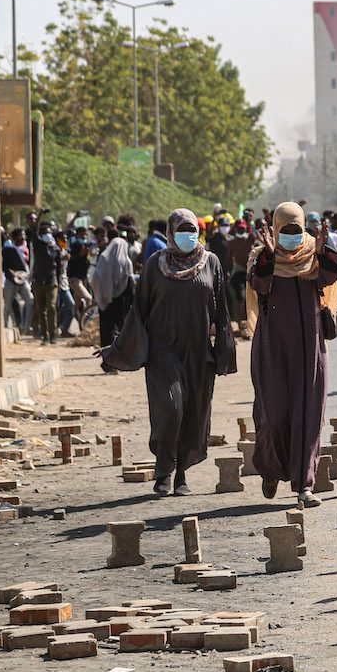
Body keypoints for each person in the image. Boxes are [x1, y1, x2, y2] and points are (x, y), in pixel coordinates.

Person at [99, 208, 237, 496]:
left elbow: (221, 310)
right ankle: (164, 469)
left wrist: (223, 351)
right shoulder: (155, 265)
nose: (188, 235)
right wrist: (118, 348)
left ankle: (181, 475)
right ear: (171, 232)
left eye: (192, 230)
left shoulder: (211, 263)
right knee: (170, 408)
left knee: (193, 414)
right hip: (163, 354)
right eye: (182, 229)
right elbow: (138, 310)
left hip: (199, 355)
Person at [248, 201, 337, 507]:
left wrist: (323, 248)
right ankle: (272, 469)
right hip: (273, 348)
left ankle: (304, 484)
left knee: (308, 414)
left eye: (296, 229)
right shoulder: (263, 256)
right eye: (285, 230)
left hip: (310, 346)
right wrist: (268, 252)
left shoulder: (313, 254)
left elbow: (331, 275)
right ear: (276, 229)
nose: (290, 235)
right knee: (273, 414)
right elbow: (258, 284)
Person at [92, 229, 135, 359]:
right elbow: (130, 285)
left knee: (107, 331)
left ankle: (108, 360)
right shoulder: (127, 262)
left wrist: (105, 294)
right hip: (121, 304)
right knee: (119, 330)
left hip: (106, 302)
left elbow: (96, 278)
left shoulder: (104, 258)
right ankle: (117, 359)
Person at [28, 217, 62, 345]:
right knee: (41, 310)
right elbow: (34, 230)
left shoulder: (56, 249)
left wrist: (57, 281)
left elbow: (58, 268)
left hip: (51, 282)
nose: (48, 235)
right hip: (38, 282)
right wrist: (41, 214)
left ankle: (53, 336)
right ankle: (45, 336)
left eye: (49, 233)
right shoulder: (38, 246)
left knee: (51, 307)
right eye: (45, 233)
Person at [2, 228, 33, 332]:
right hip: (11, 281)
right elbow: (4, 265)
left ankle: (26, 327)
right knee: (7, 305)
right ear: (15, 237)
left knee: (30, 302)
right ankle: (5, 327)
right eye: (20, 235)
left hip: (23, 280)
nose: (23, 237)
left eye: (24, 235)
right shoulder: (8, 249)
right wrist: (12, 274)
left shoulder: (26, 249)